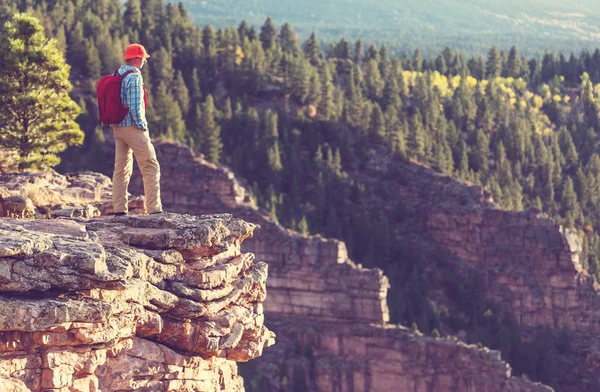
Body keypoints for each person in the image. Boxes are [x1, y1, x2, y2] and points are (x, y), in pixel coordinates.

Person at [111, 44, 163, 216]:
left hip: (118, 127)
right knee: (150, 166)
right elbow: (135, 106)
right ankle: (154, 209)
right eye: (142, 58)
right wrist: (143, 126)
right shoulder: (134, 77)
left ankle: (119, 209)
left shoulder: (118, 73)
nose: (144, 62)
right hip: (132, 128)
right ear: (134, 58)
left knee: (121, 169)